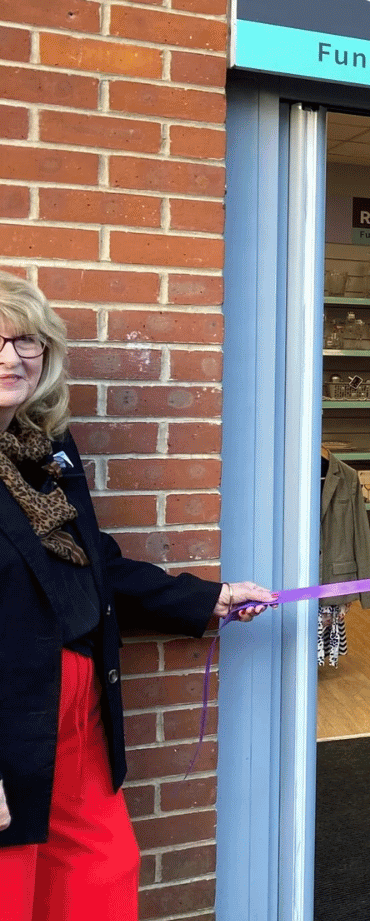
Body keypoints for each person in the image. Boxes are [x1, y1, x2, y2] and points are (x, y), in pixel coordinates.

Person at [0, 276, 276, 921]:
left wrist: (207, 599)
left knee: (99, 878)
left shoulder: (45, 451)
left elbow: (93, 566)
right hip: (6, 718)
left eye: (25, 341)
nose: (11, 359)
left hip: (75, 711)